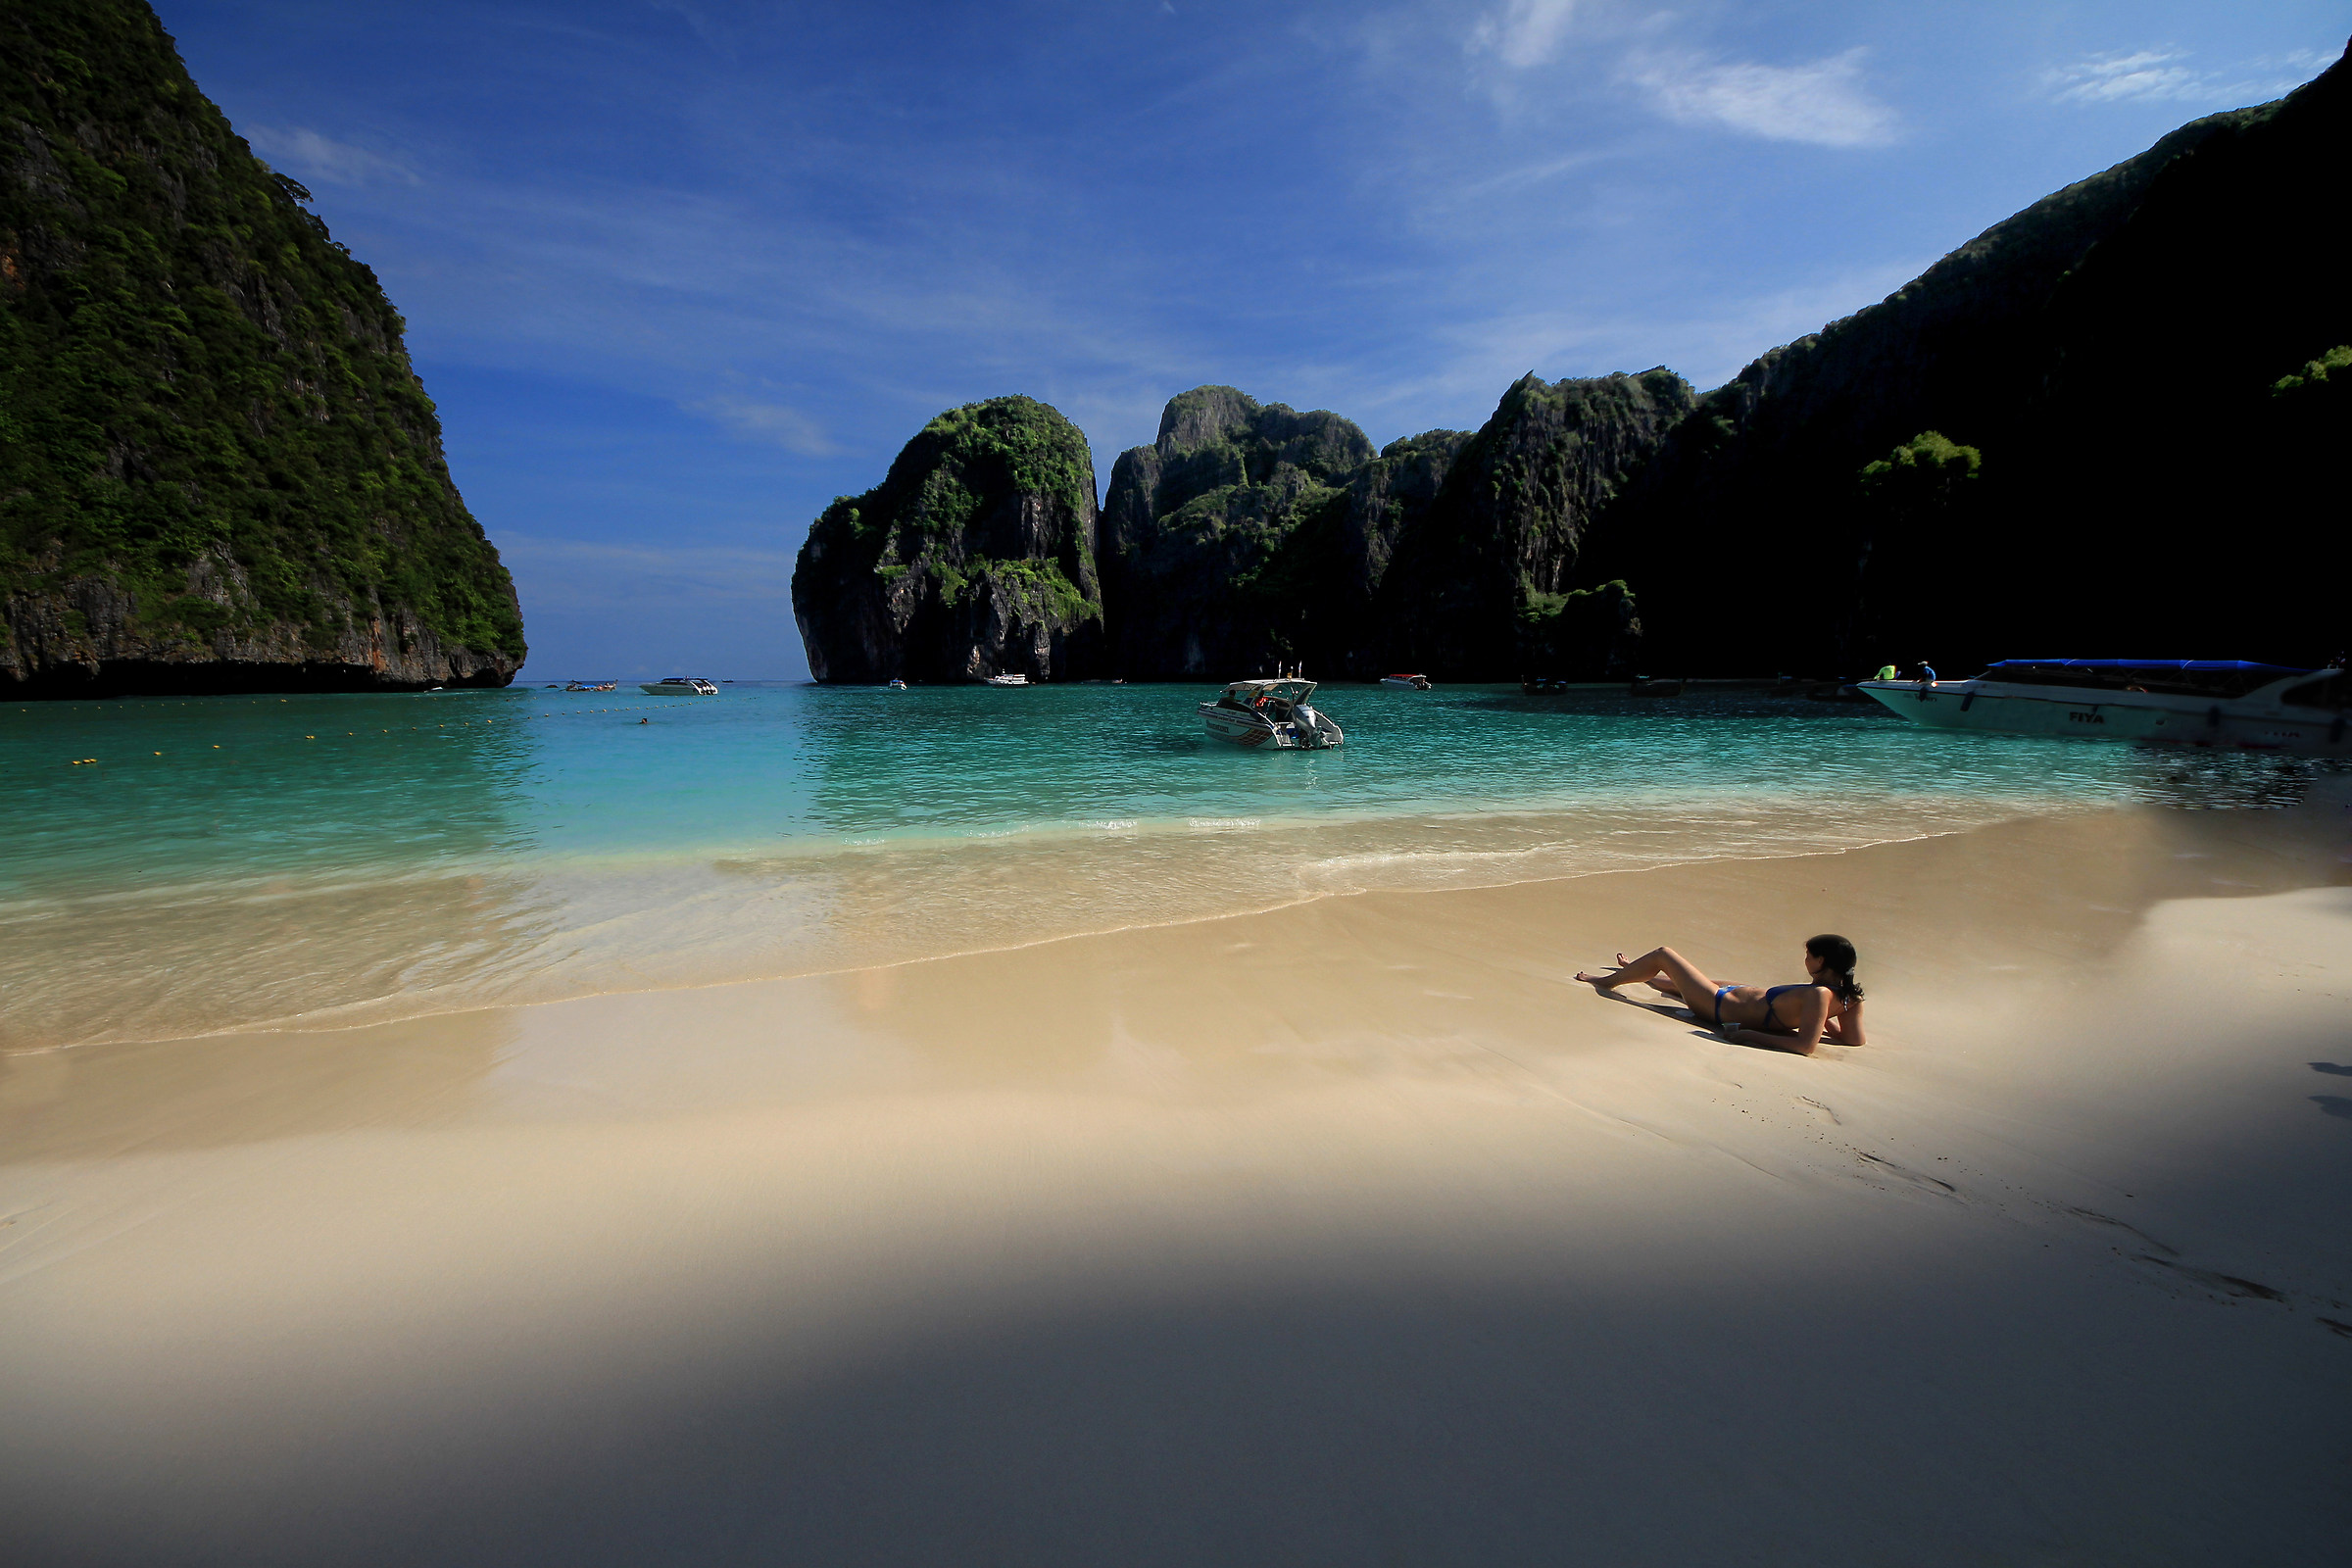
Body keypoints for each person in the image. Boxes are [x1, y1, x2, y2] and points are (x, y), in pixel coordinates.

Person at [1574, 935, 1867, 1054]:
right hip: (1733, 995)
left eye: (1808, 956)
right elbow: (1854, 1039)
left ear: (1821, 962)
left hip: (1718, 1007)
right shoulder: (1848, 997)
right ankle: (1643, 974)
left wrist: (1747, 1036)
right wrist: (1823, 1019)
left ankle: (1607, 981)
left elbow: (1806, 1046)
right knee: (1685, 980)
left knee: (1664, 954)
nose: (1805, 960)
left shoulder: (1819, 996)